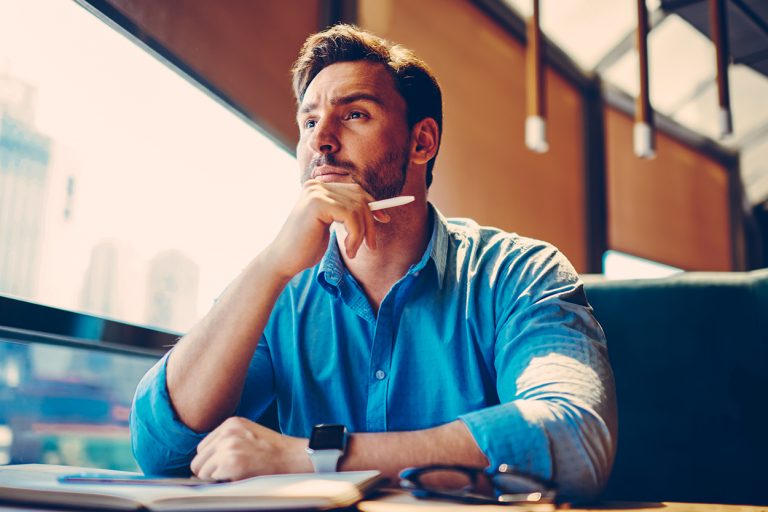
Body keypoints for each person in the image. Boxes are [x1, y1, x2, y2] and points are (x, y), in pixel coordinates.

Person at [131, 24, 617, 501]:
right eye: (308, 121)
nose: (321, 139)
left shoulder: (520, 273)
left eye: (355, 114)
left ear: (421, 143)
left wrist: (310, 457)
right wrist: (271, 266)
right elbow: (161, 449)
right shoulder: (278, 290)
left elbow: (574, 438)